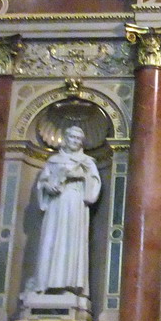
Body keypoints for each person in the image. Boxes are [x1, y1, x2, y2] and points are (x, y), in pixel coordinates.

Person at [33, 125, 101, 296]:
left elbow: (94, 183)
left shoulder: (87, 162)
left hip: (75, 204)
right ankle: (45, 284)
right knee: (52, 240)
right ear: (65, 138)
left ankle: (70, 285)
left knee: (71, 241)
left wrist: (81, 177)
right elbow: (43, 182)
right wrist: (48, 187)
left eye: (79, 139)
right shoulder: (53, 160)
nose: (75, 141)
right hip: (56, 204)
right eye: (72, 138)